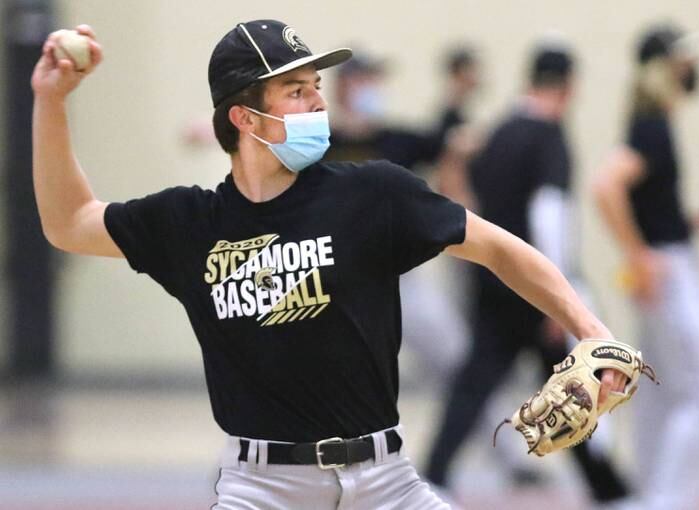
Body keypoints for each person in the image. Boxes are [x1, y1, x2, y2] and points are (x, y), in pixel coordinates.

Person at [31, 20, 629, 509]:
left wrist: (591, 329)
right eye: (296, 90)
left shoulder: (373, 196)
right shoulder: (190, 225)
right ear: (245, 118)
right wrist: (50, 102)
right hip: (261, 490)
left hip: (387, 483)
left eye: (317, 84)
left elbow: (498, 247)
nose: (319, 100)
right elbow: (69, 220)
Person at [424, 43, 631, 506]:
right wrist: (559, 296)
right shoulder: (547, 135)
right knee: (578, 387)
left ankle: (435, 474)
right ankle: (609, 489)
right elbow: (549, 213)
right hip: (534, 288)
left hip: (493, 280)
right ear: (569, 86)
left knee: (480, 381)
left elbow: (466, 199)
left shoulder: (498, 133)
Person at [593, 24, 699, 510]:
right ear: (666, 66)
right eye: (684, 58)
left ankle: (650, 495)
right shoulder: (651, 126)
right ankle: (665, 501)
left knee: (660, 393)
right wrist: (639, 255)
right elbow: (605, 186)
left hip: (666, 264)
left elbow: (652, 209)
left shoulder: (650, 122)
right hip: (668, 274)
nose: (692, 68)